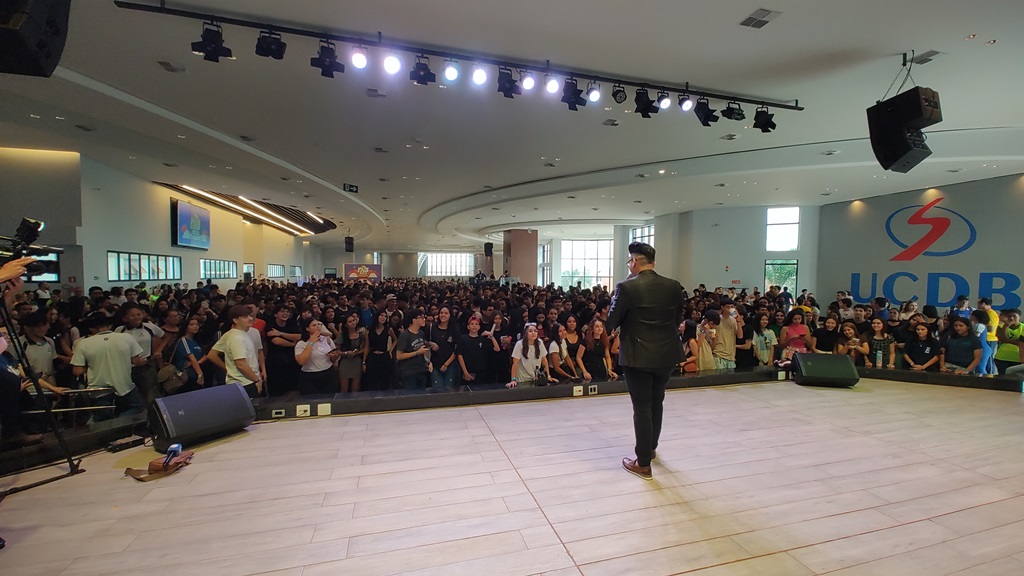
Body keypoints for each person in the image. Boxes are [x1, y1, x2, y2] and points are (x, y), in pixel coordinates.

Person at [605, 242, 684, 480]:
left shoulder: (627, 287)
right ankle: (650, 449)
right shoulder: (674, 286)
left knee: (641, 406)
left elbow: (611, 322)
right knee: (657, 401)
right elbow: (677, 319)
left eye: (630, 261)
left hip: (638, 355)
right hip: (666, 353)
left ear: (635, 262)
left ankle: (643, 463)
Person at [211, 305, 263, 398]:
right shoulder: (237, 337)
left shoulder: (231, 333)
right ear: (235, 320)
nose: (250, 319)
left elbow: (212, 354)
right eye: (245, 317)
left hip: (242, 382)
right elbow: (240, 364)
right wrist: (256, 380)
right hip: (245, 383)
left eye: (250, 316)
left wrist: (229, 369)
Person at [294, 318, 340, 395]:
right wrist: (311, 342)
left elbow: (335, 355)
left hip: (328, 373)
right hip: (310, 376)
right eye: (314, 325)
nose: (318, 326)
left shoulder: (327, 339)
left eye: (319, 324)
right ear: (307, 328)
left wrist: (334, 357)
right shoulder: (301, 343)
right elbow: (301, 361)